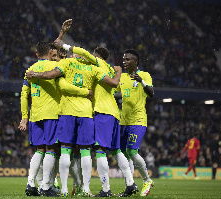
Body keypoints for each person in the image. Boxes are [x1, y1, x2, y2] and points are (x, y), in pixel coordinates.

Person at [54, 19, 138, 197]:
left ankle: (106, 189)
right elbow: (116, 87)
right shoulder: (108, 67)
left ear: (96, 56)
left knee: (99, 151)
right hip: (115, 113)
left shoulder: (96, 64)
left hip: (101, 112)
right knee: (116, 150)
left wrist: (64, 43)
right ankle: (130, 183)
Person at [25, 46, 122, 197]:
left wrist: (35, 74)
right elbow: (113, 83)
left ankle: (63, 189)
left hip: (67, 112)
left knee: (65, 149)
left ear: (73, 55)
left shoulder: (66, 64)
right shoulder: (93, 68)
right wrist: (118, 73)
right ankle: (85, 188)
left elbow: (52, 76)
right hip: (86, 113)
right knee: (85, 152)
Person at [19, 41, 90, 196]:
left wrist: (24, 116)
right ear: (50, 53)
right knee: (52, 149)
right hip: (52, 113)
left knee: (39, 150)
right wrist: (85, 92)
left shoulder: (30, 70)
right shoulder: (55, 68)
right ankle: (45, 186)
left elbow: (24, 95)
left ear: (37, 54)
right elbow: (64, 85)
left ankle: (30, 184)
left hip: (35, 115)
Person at [115, 49, 154, 197]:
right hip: (123, 121)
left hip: (138, 120)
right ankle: (130, 185)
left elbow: (151, 94)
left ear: (135, 61)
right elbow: (113, 88)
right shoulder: (123, 77)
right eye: (123, 60)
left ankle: (147, 180)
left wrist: (141, 82)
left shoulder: (144, 75)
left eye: (127, 60)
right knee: (124, 154)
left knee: (132, 151)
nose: (124, 62)